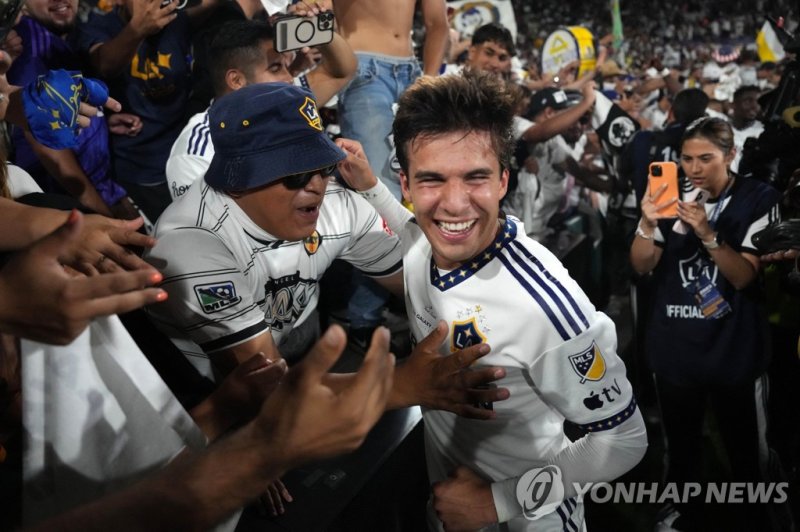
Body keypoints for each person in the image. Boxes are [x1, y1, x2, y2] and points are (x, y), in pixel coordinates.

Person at [337, 69, 647, 531]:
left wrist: (497, 502)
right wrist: (368, 186)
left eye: (475, 178)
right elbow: (410, 230)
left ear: (504, 180)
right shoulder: (424, 242)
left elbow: (624, 440)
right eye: (432, 180)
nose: (455, 204)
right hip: (448, 504)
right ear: (406, 185)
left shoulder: (543, 307)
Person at [146, 82, 507, 416]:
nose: (316, 185)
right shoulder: (192, 243)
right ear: (237, 178)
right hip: (194, 398)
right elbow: (263, 391)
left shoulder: (338, 206)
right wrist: (400, 384)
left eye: (322, 166)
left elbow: (425, 279)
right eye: (296, 174)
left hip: (296, 354)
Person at [630, 117, 785, 530]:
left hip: (734, 352)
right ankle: (681, 513)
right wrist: (647, 222)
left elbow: (743, 276)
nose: (694, 168)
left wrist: (707, 233)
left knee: (749, 455)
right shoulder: (669, 198)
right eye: (686, 159)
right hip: (676, 351)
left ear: (730, 155)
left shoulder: (759, 198)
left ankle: (762, 517)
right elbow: (641, 264)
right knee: (681, 451)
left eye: (705, 159)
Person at [165, 15, 355, 200]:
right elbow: (207, 225)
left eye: (285, 66)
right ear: (236, 80)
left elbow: (340, 71)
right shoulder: (196, 152)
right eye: (275, 68)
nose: (289, 78)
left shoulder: (287, 105)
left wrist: (313, 27)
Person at [6, 0, 139, 220]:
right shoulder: (28, 48)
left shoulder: (56, 37)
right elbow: (53, 155)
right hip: (70, 209)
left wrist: (98, 120)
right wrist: (103, 218)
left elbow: (61, 106)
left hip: (103, 189)